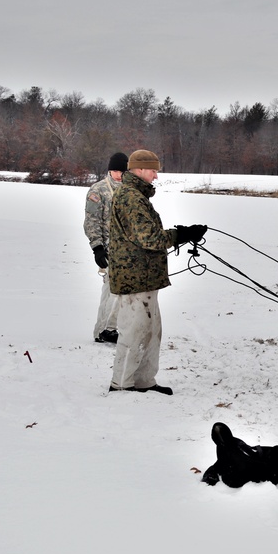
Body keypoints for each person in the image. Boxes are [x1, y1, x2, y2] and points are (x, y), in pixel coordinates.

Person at [107, 149, 207, 395]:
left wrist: (181, 234)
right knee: (134, 332)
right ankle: (121, 384)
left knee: (151, 332)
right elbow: (149, 238)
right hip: (134, 278)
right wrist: (180, 235)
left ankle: (143, 381)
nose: (156, 176)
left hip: (145, 277)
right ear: (139, 170)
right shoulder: (130, 197)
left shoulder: (137, 196)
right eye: (153, 171)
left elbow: (146, 235)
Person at [84, 152, 128, 343]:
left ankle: (111, 328)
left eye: (121, 171)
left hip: (128, 249)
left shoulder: (130, 189)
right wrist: (97, 247)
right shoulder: (98, 190)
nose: (118, 174)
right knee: (111, 290)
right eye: (115, 170)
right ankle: (102, 330)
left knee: (122, 292)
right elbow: (91, 221)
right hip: (109, 249)